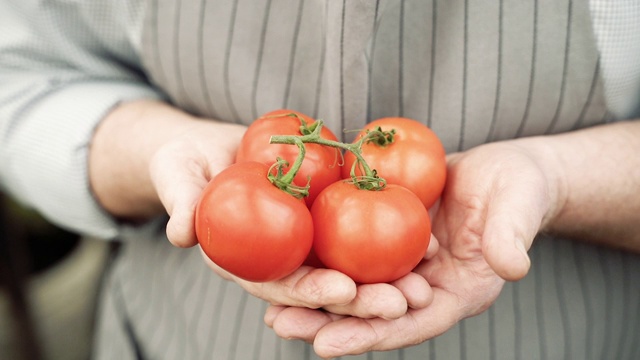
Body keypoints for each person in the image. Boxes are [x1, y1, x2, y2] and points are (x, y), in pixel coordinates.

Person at [2, 0, 640, 359]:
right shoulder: (319, 166)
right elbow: (18, 77)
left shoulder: (292, 151)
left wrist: (560, 179)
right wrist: (148, 149)